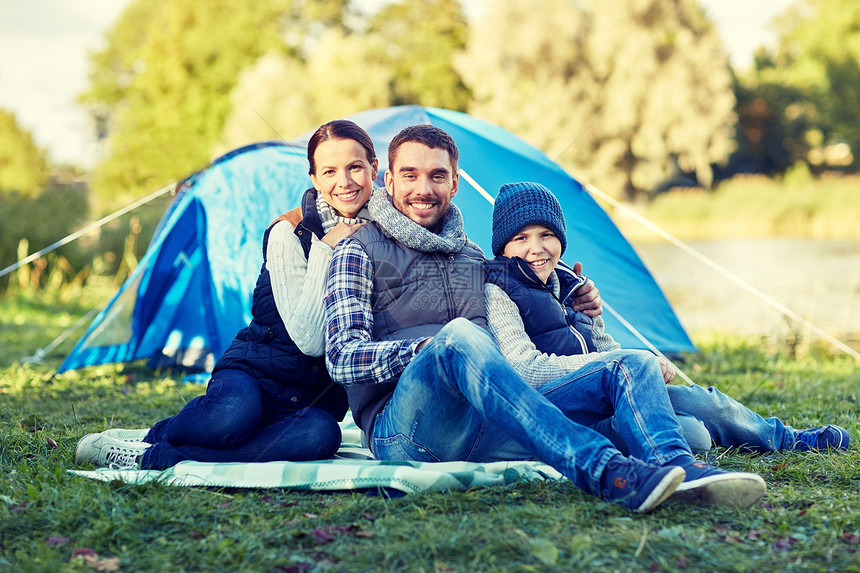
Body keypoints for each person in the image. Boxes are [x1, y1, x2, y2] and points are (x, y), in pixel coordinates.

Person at [324, 124, 766, 512]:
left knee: (632, 365)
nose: (424, 187)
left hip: (486, 420)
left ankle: (679, 468)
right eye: (410, 175)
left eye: (437, 175)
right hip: (405, 431)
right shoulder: (356, 250)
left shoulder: (474, 257)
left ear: (455, 183)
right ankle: (605, 472)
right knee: (458, 337)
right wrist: (429, 351)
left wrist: (573, 297)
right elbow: (342, 358)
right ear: (389, 180)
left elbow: (523, 299)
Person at [75, 119, 378, 470]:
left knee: (321, 437)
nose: (344, 182)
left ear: (373, 167)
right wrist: (326, 250)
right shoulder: (288, 233)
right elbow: (310, 340)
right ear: (314, 178)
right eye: (329, 171)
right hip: (254, 376)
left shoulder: (386, 236)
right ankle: (156, 436)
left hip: (313, 401)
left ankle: (158, 454)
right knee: (231, 417)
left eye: (355, 167)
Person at [484, 181, 850, 457]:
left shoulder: (571, 285)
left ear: (561, 239)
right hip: (561, 406)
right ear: (503, 247)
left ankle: (787, 437)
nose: (537, 247)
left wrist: (640, 364)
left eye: (547, 234)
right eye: (522, 237)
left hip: (613, 386)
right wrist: (622, 365)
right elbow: (524, 368)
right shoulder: (498, 290)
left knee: (705, 403)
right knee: (695, 436)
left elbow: (604, 345)